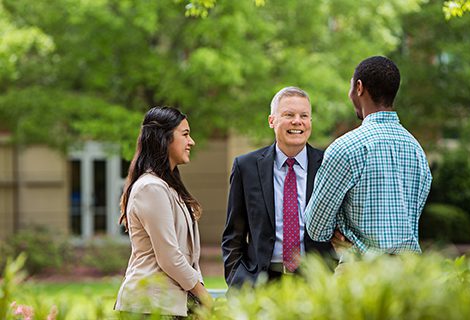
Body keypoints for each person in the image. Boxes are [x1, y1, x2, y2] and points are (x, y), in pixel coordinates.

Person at [305, 56, 432, 260]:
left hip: (360, 273)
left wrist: (340, 230)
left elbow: (317, 227)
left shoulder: (345, 148)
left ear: (359, 87)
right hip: (410, 276)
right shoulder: (417, 151)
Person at [222, 86, 334, 288]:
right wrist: (238, 281)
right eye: (289, 114)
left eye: (304, 115)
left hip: (315, 284)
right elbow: (233, 235)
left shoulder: (329, 165)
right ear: (271, 121)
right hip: (261, 284)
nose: (297, 121)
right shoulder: (246, 167)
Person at [114, 106, 212, 317]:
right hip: (149, 306)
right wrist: (204, 297)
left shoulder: (167, 187)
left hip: (168, 304)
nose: (191, 141)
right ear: (164, 138)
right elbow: (169, 256)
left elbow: (186, 256)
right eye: (185, 134)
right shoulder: (151, 188)